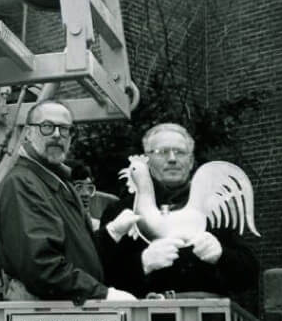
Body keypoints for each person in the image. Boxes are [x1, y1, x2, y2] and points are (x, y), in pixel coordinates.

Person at [0, 100, 135, 303]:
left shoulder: (59, 182)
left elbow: (76, 251)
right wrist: (102, 294)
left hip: (63, 312)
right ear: (28, 133)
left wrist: (111, 234)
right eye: (47, 126)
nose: (57, 135)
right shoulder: (23, 183)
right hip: (44, 315)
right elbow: (40, 266)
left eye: (64, 129)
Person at [99, 122, 259, 298]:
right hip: (145, 319)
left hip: (205, 318)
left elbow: (250, 275)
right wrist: (142, 263)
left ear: (191, 162)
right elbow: (100, 274)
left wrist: (222, 255)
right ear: (147, 160)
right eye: (162, 152)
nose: (172, 158)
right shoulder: (121, 211)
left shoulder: (213, 208)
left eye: (180, 152)